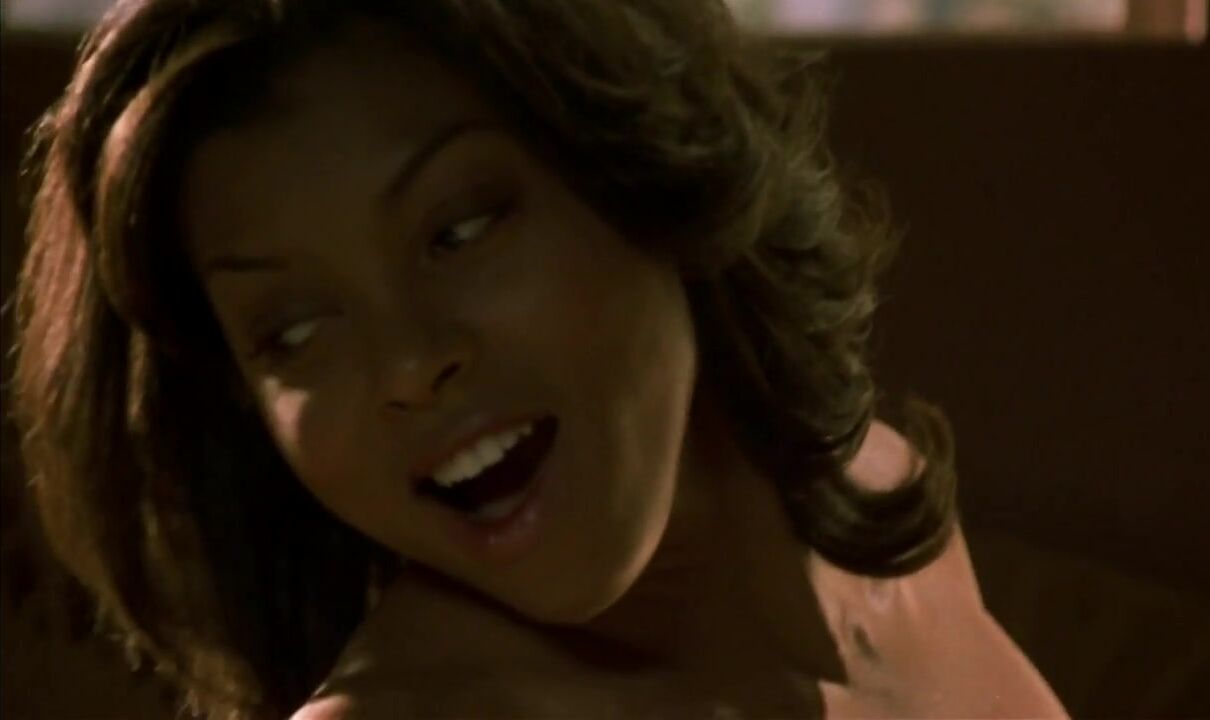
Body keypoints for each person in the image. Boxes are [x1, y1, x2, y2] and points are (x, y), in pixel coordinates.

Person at [12, 1, 1067, 717]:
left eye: (462, 229)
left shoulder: (873, 498)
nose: (407, 367)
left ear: (646, 163)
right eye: (291, 330)